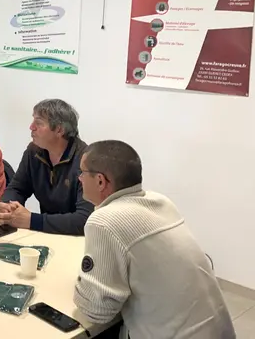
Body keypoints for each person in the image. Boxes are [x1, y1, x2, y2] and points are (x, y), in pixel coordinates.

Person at [74, 140, 235, 339]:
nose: (79, 179)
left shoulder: (104, 221)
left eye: (82, 172)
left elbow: (97, 311)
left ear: (100, 181)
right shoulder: (161, 202)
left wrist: (81, 284)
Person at [0, 99, 91, 236]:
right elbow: (17, 188)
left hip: (75, 239)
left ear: (59, 130)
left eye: (39, 123)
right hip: (46, 233)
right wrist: (8, 207)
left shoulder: (86, 161)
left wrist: (32, 220)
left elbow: (84, 220)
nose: (31, 127)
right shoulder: (34, 151)